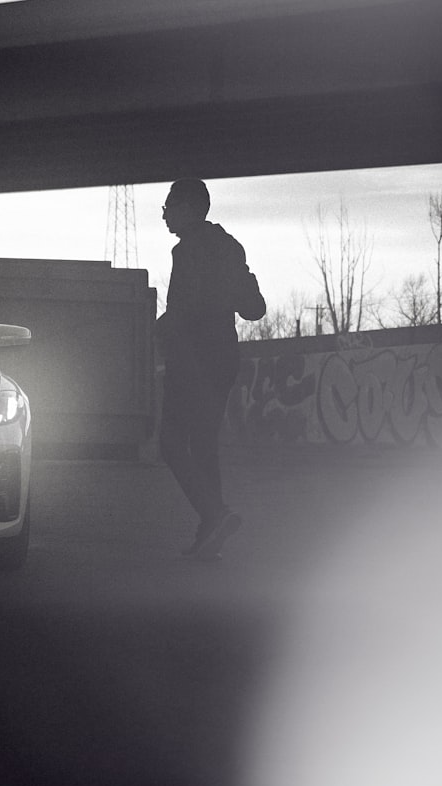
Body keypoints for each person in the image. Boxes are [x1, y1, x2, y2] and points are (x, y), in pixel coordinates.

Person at [157, 178, 266, 559]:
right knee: (203, 443)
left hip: (191, 359)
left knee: (171, 443)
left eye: (169, 204)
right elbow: (255, 308)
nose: (165, 212)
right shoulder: (230, 247)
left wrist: (154, 332)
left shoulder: (186, 251)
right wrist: (241, 282)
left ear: (188, 207)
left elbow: (184, 312)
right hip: (223, 359)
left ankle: (214, 513)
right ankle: (211, 529)